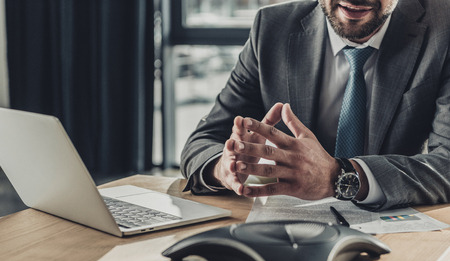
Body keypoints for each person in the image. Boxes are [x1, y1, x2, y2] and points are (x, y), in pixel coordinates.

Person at [180, 0, 450, 211]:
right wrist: (225, 168)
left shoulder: (444, 27)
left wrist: (339, 176)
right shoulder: (271, 27)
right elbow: (203, 142)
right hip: (289, 231)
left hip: (401, 236)